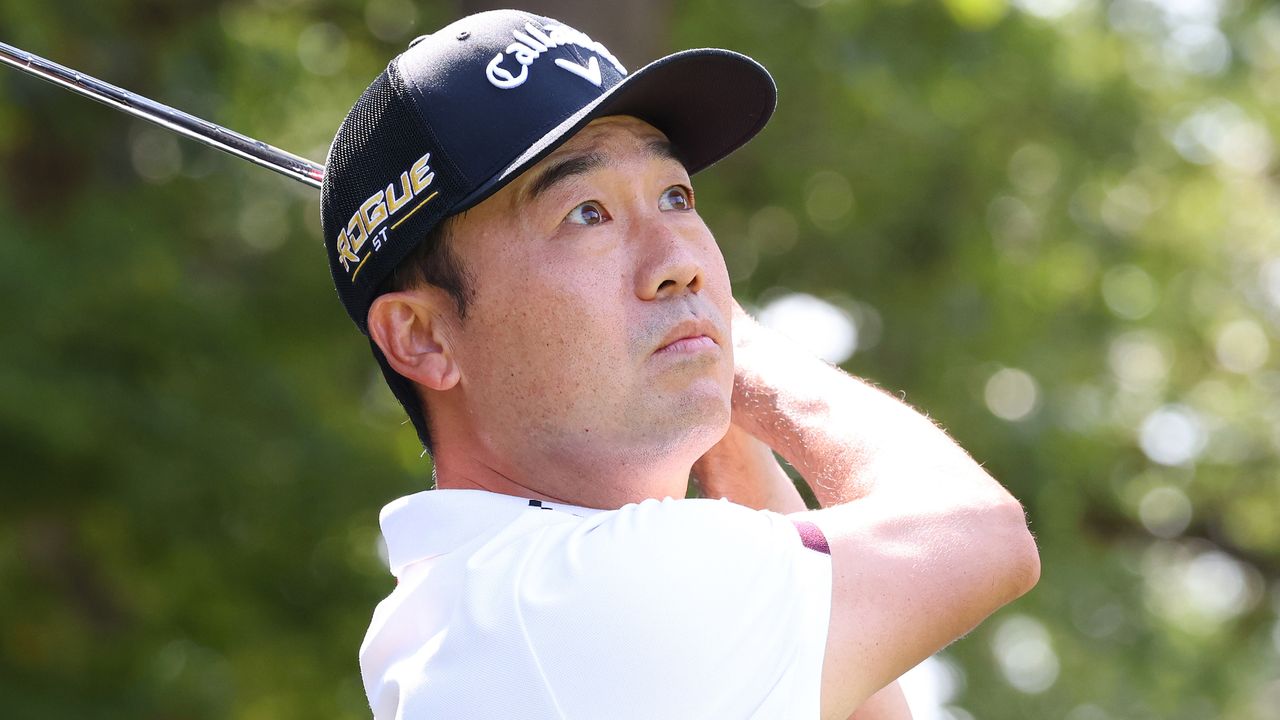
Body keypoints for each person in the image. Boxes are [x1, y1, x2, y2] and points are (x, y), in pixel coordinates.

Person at [318, 9, 1040, 719]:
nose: (680, 262)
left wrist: (700, 370)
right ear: (424, 339)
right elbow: (979, 536)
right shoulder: (581, 602)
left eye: (674, 196)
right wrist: (739, 344)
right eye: (587, 213)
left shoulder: (487, 606)